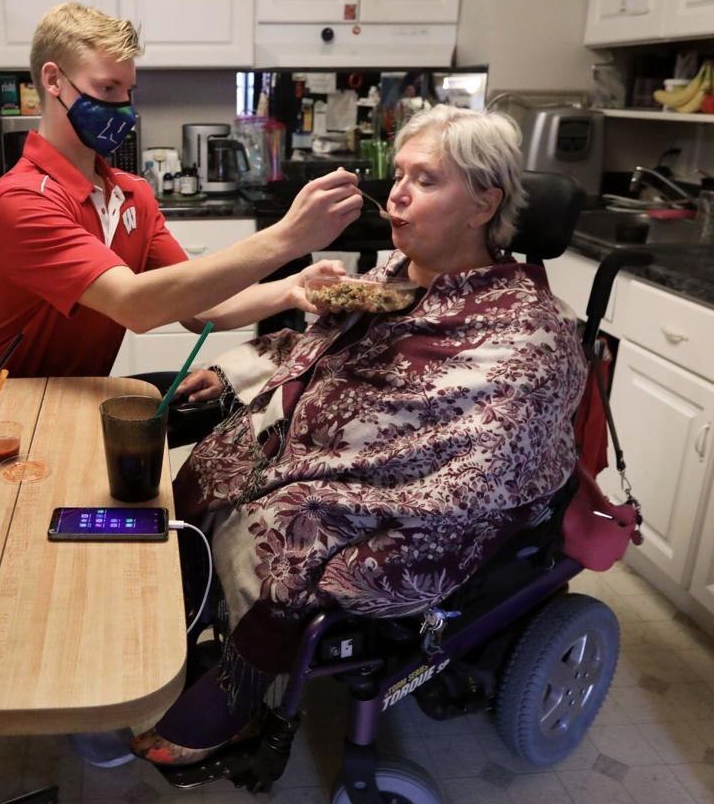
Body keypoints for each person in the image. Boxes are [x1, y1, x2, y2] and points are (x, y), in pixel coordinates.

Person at [131, 105, 587, 765]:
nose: (397, 193)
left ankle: (240, 695)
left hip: (413, 509)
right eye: (398, 174)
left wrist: (322, 465)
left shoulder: (531, 334)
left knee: (290, 526)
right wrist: (231, 372)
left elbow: (488, 466)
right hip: (315, 458)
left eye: (425, 179)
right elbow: (312, 343)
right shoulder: (387, 279)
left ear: (483, 202)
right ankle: (189, 624)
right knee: (211, 460)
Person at [0, 2, 362, 379]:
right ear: (53, 79)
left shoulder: (131, 195)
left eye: (128, 91)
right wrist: (288, 237)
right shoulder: (23, 199)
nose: (123, 107)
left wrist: (291, 287)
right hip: (11, 409)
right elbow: (133, 305)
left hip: (76, 397)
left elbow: (200, 309)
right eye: (107, 88)